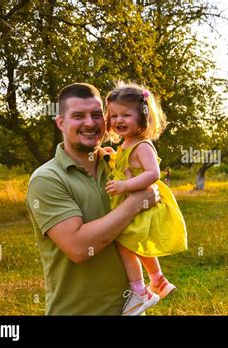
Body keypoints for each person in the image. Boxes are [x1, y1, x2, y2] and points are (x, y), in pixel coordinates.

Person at [26, 83, 160, 315]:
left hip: (131, 310)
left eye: (97, 115)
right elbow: (78, 248)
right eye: (78, 116)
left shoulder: (117, 165)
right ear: (61, 123)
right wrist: (135, 202)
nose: (89, 123)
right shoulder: (46, 179)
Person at [105, 82, 187, 316]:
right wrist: (113, 158)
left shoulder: (142, 145)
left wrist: (124, 186)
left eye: (126, 115)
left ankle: (140, 291)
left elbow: (153, 174)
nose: (119, 120)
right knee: (134, 243)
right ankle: (158, 281)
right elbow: (127, 167)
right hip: (135, 201)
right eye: (114, 115)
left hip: (143, 202)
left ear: (142, 117)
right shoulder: (126, 144)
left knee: (124, 244)